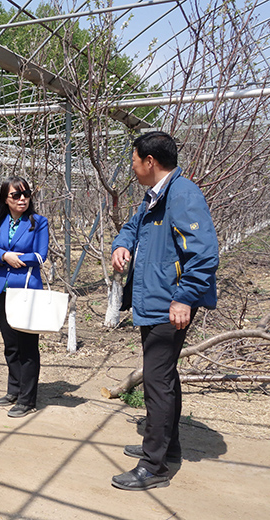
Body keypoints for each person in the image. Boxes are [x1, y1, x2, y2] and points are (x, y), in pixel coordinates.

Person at [111, 131, 219, 491]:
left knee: (157, 382)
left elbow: (204, 253)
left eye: (134, 160)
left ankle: (153, 466)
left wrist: (184, 297)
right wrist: (122, 245)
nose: (132, 167)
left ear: (149, 161)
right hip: (155, 299)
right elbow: (133, 226)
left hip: (169, 304)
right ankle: (167, 448)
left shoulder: (183, 194)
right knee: (165, 376)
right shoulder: (156, 195)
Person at [0, 177, 49, 418]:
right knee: (10, 345)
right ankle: (14, 390)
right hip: (2, 289)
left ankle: (27, 400)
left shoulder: (38, 222)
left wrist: (14, 258)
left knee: (28, 346)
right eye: (16, 195)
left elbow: (40, 256)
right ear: (5, 199)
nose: (22, 199)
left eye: (26, 194)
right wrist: (3, 255)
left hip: (26, 289)